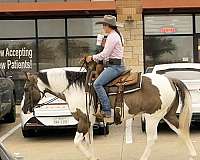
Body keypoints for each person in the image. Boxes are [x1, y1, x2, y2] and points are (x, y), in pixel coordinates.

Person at [86, 15, 125, 120]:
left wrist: (92, 58)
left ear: (108, 26)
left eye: (104, 25)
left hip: (115, 67)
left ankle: (107, 111)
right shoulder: (117, 35)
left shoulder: (112, 37)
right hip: (115, 64)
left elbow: (104, 54)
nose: (103, 27)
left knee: (97, 84)